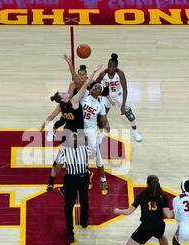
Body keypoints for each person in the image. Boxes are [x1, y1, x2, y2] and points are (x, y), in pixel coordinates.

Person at [45, 64, 103, 194]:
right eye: (64, 93)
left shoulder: (75, 100)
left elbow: (84, 83)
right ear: (62, 99)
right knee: (60, 160)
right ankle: (51, 180)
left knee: (81, 159)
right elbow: (53, 116)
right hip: (68, 132)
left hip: (80, 132)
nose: (66, 92)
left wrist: (93, 72)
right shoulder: (63, 106)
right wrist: (46, 124)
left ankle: (85, 176)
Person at [112, 175, 174, 245]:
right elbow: (169, 215)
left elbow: (128, 212)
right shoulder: (163, 196)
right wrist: (176, 209)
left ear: (147, 183)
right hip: (159, 225)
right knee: (161, 236)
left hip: (146, 228)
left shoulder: (142, 195)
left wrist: (117, 211)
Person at [54, 132, 91, 243]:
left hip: (73, 178)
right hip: (81, 177)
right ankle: (76, 227)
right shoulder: (86, 149)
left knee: (71, 206)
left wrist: (58, 163)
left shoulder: (64, 151)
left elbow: (57, 169)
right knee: (82, 202)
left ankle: (72, 232)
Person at [96, 53, 143, 142]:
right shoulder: (103, 74)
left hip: (119, 96)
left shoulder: (120, 74)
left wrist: (123, 105)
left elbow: (125, 89)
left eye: (112, 66)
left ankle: (135, 131)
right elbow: (95, 83)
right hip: (107, 96)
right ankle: (101, 133)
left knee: (130, 115)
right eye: (109, 65)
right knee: (101, 116)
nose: (110, 68)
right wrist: (99, 93)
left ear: (116, 66)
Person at [80, 81, 110, 195]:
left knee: (95, 154)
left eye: (98, 88)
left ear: (99, 93)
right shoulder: (84, 94)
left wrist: (104, 127)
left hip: (91, 131)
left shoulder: (100, 103)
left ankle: (103, 179)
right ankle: (87, 174)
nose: (95, 88)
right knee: (82, 154)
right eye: (95, 86)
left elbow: (103, 119)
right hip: (79, 128)